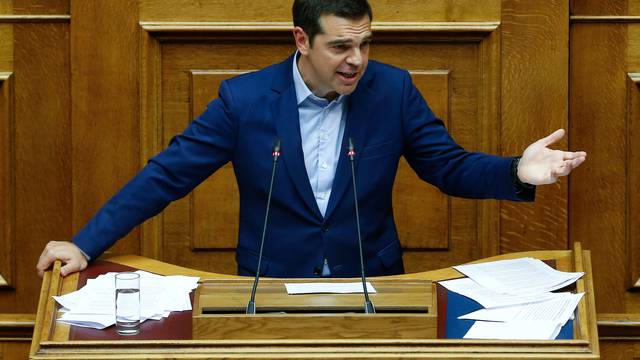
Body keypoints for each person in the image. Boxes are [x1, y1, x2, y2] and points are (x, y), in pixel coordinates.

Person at [37, 0, 586, 278]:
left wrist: (517, 170)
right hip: (269, 288)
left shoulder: (391, 91)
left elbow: (447, 166)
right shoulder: (243, 101)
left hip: (373, 286)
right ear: (301, 39)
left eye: (366, 43)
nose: (357, 61)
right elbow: (167, 175)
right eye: (341, 47)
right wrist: (85, 244)